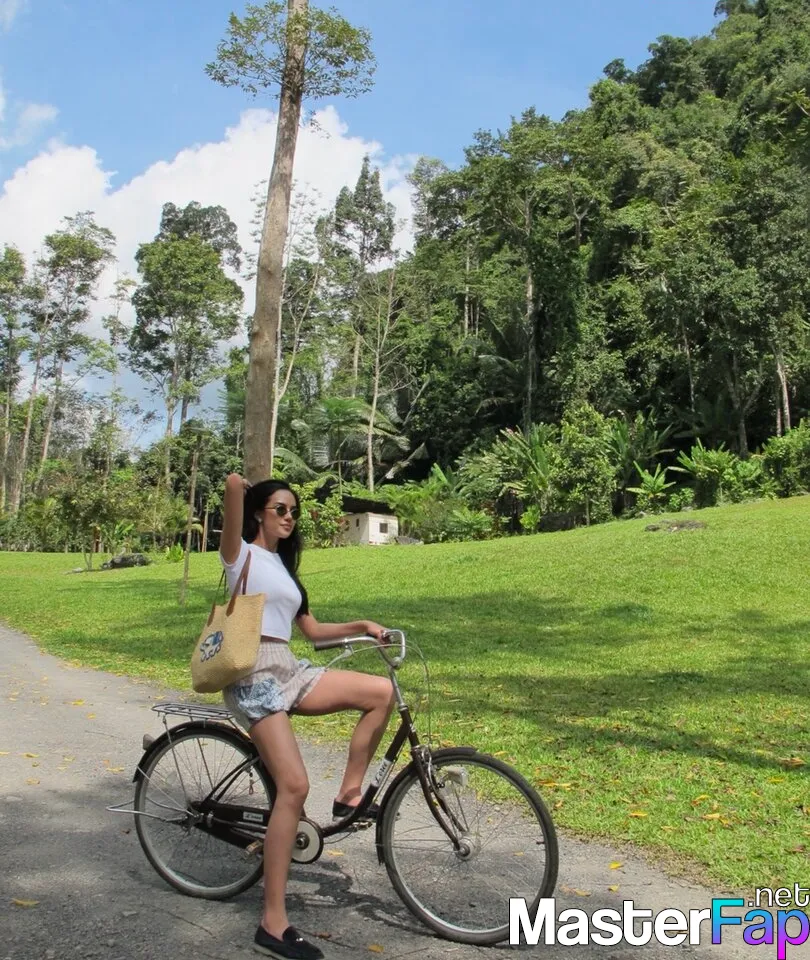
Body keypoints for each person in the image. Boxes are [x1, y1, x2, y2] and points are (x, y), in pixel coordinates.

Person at [219, 472, 395, 960]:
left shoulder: (283, 566)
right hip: (253, 675)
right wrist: (240, 483)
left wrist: (363, 626)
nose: (289, 517)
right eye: (280, 508)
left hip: (288, 667)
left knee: (381, 693)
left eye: (293, 511)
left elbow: (313, 632)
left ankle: (348, 794)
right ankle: (272, 924)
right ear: (259, 514)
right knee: (294, 787)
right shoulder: (240, 556)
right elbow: (232, 492)